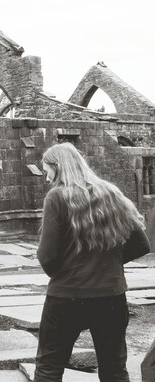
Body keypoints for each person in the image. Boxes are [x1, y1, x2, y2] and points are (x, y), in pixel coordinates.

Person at [34, 142, 150, 382]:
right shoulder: (110, 192)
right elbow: (142, 244)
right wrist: (109, 265)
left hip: (66, 297)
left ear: (58, 167)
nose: (47, 178)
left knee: (49, 366)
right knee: (114, 369)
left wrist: (66, 272)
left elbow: (47, 257)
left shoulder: (57, 196)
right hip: (110, 297)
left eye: (47, 171)